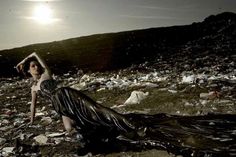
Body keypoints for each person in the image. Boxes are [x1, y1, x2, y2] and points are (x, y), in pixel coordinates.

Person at [16, 52, 236, 156]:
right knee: (70, 129)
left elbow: (38, 56)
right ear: (28, 72)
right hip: (60, 105)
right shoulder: (33, 87)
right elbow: (33, 106)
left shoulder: (47, 76)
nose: (36, 67)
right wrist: (31, 120)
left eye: (36, 65)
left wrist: (28, 56)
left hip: (68, 96)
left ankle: (129, 125)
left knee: (101, 113)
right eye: (32, 67)